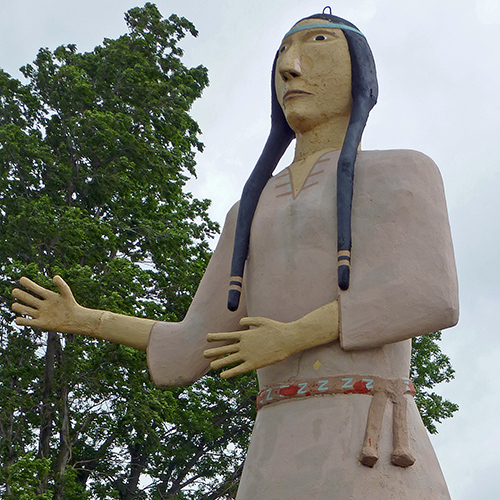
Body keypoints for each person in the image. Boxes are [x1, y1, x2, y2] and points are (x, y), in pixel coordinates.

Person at [12, 11, 458, 500]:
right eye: (282, 55)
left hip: (371, 448)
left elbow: (428, 295)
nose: (291, 67)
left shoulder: (403, 172)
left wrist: (293, 336)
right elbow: (192, 346)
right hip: (272, 451)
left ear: (359, 73)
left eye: (318, 43)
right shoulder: (248, 211)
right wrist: (84, 319)